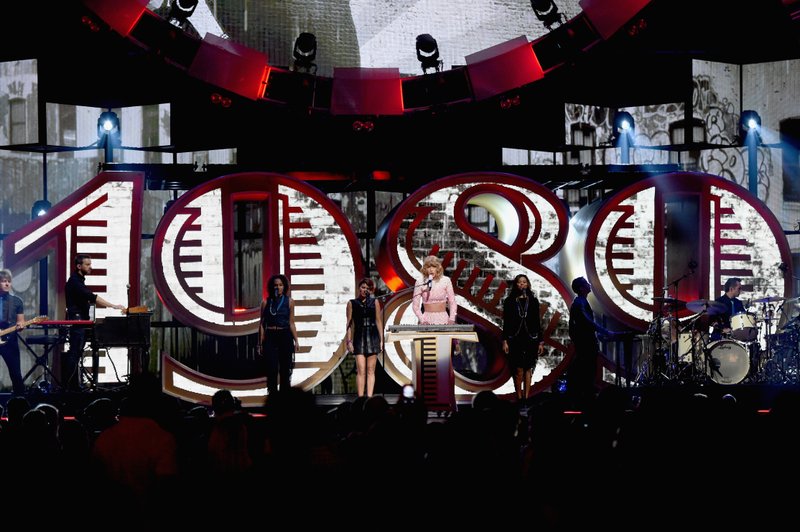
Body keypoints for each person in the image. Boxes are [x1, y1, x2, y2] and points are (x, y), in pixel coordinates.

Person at [64, 254, 126, 392]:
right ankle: (70, 389)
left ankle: (75, 386)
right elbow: (92, 297)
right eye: (87, 264)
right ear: (79, 266)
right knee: (74, 354)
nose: (90, 267)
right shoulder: (75, 282)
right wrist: (113, 306)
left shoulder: (78, 281)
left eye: (90, 264)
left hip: (81, 322)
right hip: (78, 322)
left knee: (76, 354)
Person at [567, 277, 615, 407]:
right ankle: (586, 398)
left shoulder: (580, 302)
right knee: (587, 368)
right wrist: (605, 332)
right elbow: (587, 322)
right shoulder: (579, 303)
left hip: (584, 340)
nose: (589, 285)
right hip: (585, 342)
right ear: (582, 288)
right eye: (586, 283)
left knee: (586, 367)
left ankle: (585, 396)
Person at [502, 274, 544, 403]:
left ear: (528, 284)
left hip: (531, 338)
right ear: (516, 285)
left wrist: (540, 342)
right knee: (518, 369)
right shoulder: (509, 301)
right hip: (515, 338)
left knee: (528, 368)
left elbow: (537, 322)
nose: (522, 284)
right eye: (520, 282)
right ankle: (519, 397)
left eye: (524, 282)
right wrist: (505, 340)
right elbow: (506, 322)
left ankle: (526, 397)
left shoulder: (533, 301)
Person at [258, 274, 299, 396]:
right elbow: (262, 324)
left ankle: (284, 397)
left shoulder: (290, 301)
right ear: (272, 287)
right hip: (270, 335)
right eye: (275, 285)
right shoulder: (266, 302)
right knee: (272, 369)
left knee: (285, 369)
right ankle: (272, 397)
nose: (278, 287)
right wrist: (260, 343)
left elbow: (291, 322)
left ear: (284, 286)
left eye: (280, 285)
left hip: (285, 335)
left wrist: (296, 340)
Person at [346, 278, 384, 398]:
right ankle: (361, 398)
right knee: (361, 370)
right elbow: (349, 324)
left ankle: (369, 398)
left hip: (372, 336)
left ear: (370, 290)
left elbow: (378, 321)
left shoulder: (374, 302)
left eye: (367, 288)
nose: (364, 290)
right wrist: (349, 341)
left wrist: (381, 340)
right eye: (363, 287)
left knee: (371, 370)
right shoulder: (352, 303)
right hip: (359, 337)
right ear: (359, 288)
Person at [0, 269, 26, 395]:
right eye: (4, 281)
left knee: (16, 374)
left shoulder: (17, 301)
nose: (7, 284)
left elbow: (21, 322)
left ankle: (20, 400)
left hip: (10, 342)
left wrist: (21, 326)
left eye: (9, 281)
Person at [412, 255, 457, 325]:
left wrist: (452, 319)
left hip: (444, 319)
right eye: (428, 267)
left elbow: (452, 302)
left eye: (434, 267)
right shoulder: (420, 282)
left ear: (438, 268)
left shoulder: (446, 280)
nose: (431, 269)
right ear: (425, 269)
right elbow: (415, 306)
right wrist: (422, 320)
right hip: (426, 320)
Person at [711, 277, 746, 341]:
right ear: (731, 289)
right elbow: (711, 320)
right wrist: (723, 329)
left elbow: (744, 318)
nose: (740, 291)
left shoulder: (739, 303)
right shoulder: (718, 302)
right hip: (720, 335)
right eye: (739, 288)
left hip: (736, 336)